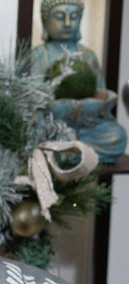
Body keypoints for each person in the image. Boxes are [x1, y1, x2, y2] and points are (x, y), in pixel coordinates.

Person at [31, 0, 126, 163]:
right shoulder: (41, 54)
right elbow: (30, 97)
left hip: (86, 127)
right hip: (52, 125)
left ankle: (68, 154)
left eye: (74, 17)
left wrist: (98, 110)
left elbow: (100, 94)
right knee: (31, 135)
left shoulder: (88, 55)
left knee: (117, 136)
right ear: (46, 21)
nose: (67, 23)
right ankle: (71, 153)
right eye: (60, 17)